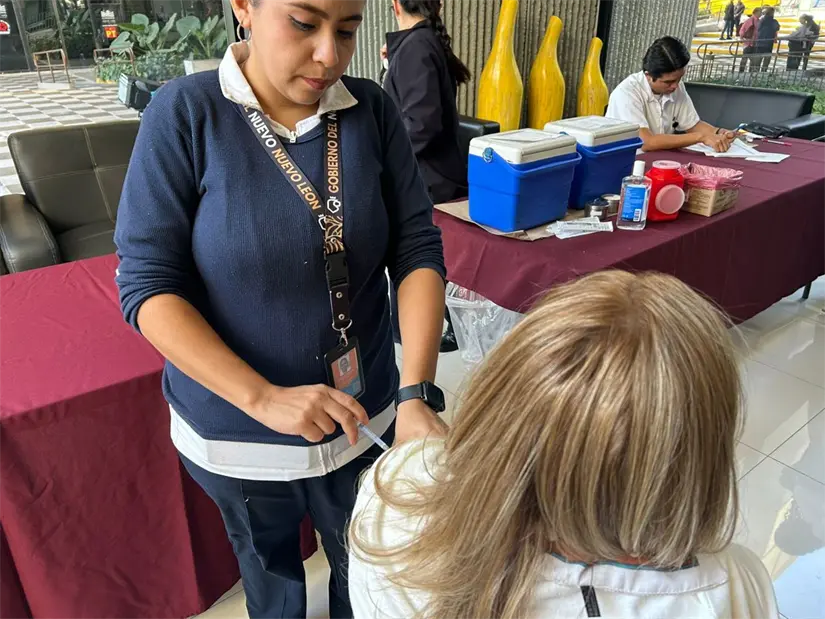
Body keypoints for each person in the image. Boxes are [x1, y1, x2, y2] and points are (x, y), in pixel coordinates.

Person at [113, 0, 450, 617]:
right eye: (303, 23)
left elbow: (417, 248)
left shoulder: (370, 110)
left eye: (347, 30)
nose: (329, 55)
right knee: (273, 578)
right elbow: (148, 287)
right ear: (244, 7)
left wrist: (416, 392)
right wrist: (263, 397)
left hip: (364, 415)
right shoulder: (186, 114)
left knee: (365, 563)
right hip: (237, 430)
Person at [348, 270, 779, 619]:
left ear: (497, 404)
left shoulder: (394, 507)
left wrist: (433, 457)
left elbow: (422, 470)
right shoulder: (733, 588)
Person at [382, 0, 471, 353]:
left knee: (416, 255)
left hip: (426, 179)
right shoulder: (417, 43)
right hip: (430, 175)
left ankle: (411, 328)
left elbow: (421, 124)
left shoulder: (417, 46)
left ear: (395, 4)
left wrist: (388, 157)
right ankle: (403, 327)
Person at [606, 37, 735, 152]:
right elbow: (646, 142)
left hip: (661, 158)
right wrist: (701, 137)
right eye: (669, 82)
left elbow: (693, 125)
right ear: (649, 75)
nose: (675, 86)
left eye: (679, 79)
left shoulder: (675, 87)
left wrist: (717, 133)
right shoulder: (627, 94)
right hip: (630, 162)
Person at [756, 6, 781, 71]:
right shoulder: (774, 21)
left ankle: (756, 71)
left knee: (758, 58)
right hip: (769, 43)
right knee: (767, 59)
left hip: (760, 41)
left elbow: (758, 28)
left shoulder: (762, 20)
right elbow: (777, 28)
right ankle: (764, 71)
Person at [739, 6, 763, 72]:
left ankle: (750, 72)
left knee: (753, 59)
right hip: (748, 43)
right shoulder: (750, 20)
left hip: (755, 43)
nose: (761, 14)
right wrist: (741, 38)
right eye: (760, 12)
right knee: (745, 58)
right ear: (756, 12)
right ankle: (741, 71)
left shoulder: (759, 21)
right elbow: (743, 29)